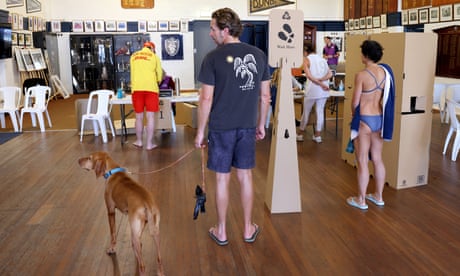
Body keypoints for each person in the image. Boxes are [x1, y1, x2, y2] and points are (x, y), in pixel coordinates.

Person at [194, 7, 271, 246]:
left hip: (221, 129)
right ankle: (248, 229)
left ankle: (222, 231)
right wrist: (262, 124)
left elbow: (206, 99)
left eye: (213, 29)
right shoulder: (258, 55)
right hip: (247, 127)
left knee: (222, 180)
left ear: (225, 31)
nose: (210, 33)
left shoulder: (212, 58)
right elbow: (265, 96)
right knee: (246, 177)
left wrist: (199, 132)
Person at [346, 40, 395, 210]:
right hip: (379, 119)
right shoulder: (385, 72)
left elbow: (355, 102)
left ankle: (361, 200)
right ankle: (378, 196)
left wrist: (354, 116)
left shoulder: (361, 75)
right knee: (377, 159)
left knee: (362, 161)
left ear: (366, 55)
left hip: (364, 120)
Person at [130, 41, 163, 150]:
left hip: (137, 89)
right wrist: (157, 81)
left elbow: (132, 73)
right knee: (150, 117)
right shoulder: (154, 57)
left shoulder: (133, 56)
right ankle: (149, 144)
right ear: (152, 49)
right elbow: (160, 75)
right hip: (151, 89)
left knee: (138, 117)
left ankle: (139, 141)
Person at [297, 43, 332, 143]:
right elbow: (330, 74)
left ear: (305, 52)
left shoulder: (307, 59)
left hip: (312, 90)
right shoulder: (323, 60)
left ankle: (300, 134)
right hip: (324, 90)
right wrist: (322, 82)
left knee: (306, 112)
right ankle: (317, 136)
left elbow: (309, 76)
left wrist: (319, 83)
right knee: (320, 112)